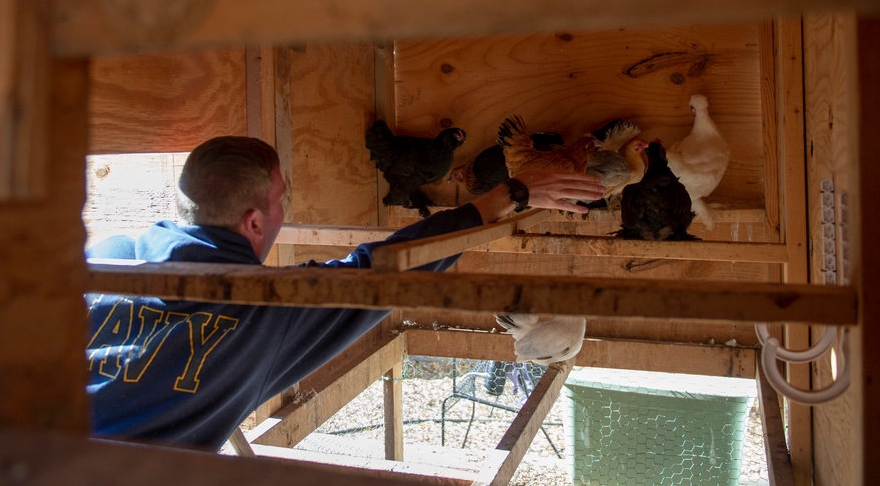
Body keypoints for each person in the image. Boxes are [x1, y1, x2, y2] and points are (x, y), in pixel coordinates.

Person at [86, 135, 603, 451]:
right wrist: (511, 194)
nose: (284, 212)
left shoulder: (99, 261)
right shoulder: (268, 309)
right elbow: (396, 263)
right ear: (253, 221)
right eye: (281, 201)